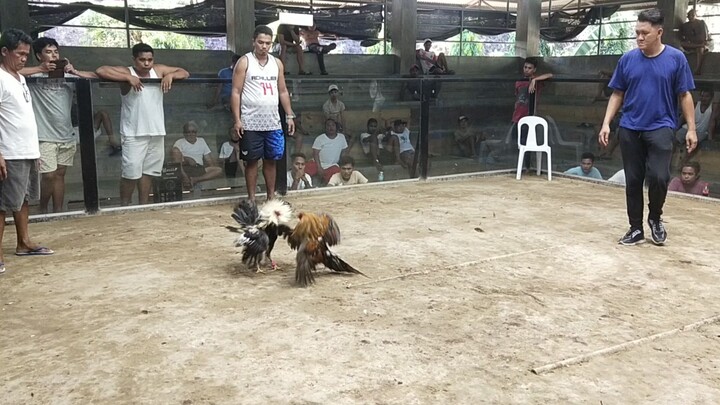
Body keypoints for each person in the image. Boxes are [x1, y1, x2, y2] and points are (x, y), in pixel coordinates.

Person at [599, 8, 697, 246]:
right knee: (633, 179)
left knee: (659, 176)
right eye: (637, 33)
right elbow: (617, 94)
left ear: (659, 32)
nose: (639, 37)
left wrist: (692, 128)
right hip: (630, 127)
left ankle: (655, 218)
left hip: (661, 126)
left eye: (644, 33)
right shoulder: (628, 59)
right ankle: (635, 228)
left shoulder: (676, 59)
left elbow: (684, 95)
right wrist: (606, 123)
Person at [96, 43, 189, 206]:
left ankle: (143, 206)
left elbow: (184, 72)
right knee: (131, 173)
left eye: (149, 59)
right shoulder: (127, 71)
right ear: (134, 59)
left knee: (149, 173)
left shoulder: (158, 70)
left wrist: (171, 76)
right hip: (133, 133)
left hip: (156, 131)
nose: (146, 63)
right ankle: (124, 206)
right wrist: (127, 78)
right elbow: (101, 70)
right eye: (142, 60)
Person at [20, 37, 98, 213]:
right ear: (39, 56)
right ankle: (42, 209)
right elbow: (9, 71)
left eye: (56, 52)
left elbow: (95, 76)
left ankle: (58, 211)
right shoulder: (33, 76)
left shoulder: (68, 77)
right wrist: (40, 69)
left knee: (60, 175)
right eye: (48, 52)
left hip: (66, 134)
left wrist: (75, 71)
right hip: (43, 135)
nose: (53, 55)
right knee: (48, 175)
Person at [0, 28, 55, 273]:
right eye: (19, 54)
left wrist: (35, 150)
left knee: (23, 200)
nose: (24, 58)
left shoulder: (19, 78)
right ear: (4, 52)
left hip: (27, 150)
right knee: (2, 204)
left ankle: (24, 242)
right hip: (9, 151)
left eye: (25, 54)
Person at [230, 25, 295, 202]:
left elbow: (282, 90)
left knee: (271, 160)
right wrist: (237, 120)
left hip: (273, 122)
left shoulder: (277, 63)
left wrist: (289, 115)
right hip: (250, 121)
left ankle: (271, 197)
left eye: (267, 43)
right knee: (251, 161)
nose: (264, 46)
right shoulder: (244, 62)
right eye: (260, 42)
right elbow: (235, 91)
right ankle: (251, 199)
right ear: (254, 41)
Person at [511, 57, 553, 171]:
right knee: (514, 140)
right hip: (517, 115)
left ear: (534, 69)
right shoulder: (519, 81)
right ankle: (519, 165)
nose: (527, 70)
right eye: (525, 67)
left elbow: (550, 75)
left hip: (529, 117)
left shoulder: (537, 81)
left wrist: (534, 80)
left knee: (526, 142)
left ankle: (528, 166)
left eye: (530, 68)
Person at [172, 120, 222, 189]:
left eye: (193, 132)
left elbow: (209, 159)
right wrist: (187, 160)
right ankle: (188, 179)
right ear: (184, 133)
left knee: (218, 170)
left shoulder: (201, 141)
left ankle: (196, 179)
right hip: (186, 169)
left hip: (199, 169)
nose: (191, 134)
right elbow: (176, 161)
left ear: (196, 133)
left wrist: (211, 169)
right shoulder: (179, 142)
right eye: (188, 132)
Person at [674, 89, 717, 164]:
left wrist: (710, 138)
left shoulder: (714, 106)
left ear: (711, 97)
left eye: (707, 96)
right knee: (673, 141)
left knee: (694, 145)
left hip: (701, 132)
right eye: (702, 96)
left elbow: (712, 122)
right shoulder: (695, 104)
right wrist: (675, 129)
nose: (704, 98)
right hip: (687, 129)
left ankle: (683, 164)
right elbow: (683, 117)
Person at [306, 118, 347, 185]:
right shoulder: (320, 138)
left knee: (338, 177)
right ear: (325, 127)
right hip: (317, 163)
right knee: (302, 171)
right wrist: (319, 167)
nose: (331, 127)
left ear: (336, 127)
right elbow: (315, 154)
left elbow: (344, 152)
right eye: (328, 125)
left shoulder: (341, 137)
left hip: (332, 165)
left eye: (333, 125)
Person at [679, 10, 711, 75]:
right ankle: (698, 46)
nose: (690, 17)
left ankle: (698, 69)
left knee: (700, 49)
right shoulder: (685, 26)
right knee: (682, 44)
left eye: (692, 15)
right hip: (693, 44)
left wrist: (700, 42)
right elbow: (684, 38)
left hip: (702, 43)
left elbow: (704, 37)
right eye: (689, 15)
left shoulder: (701, 23)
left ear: (695, 15)